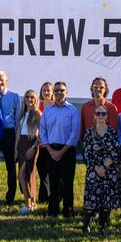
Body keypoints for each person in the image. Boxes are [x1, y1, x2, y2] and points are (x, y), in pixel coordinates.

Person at [80, 103, 121, 234]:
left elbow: (115, 152)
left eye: (103, 114)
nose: (100, 116)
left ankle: (102, 226)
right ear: (94, 116)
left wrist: (104, 166)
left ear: (107, 116)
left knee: (107, 199)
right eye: (98, 113)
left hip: (109, 170)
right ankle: (85, 225)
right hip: (93, 170)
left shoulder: (112, 132)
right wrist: (96, 168)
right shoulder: (89, 132)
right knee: (91, 198)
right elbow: (87, 152)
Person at [38, 81, 80, 218]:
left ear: (66, 92)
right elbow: (42, 130)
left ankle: (68, 211)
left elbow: (75, 133)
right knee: (53, 182)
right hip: (50, 149)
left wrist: (61, 152)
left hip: (67, 150)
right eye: (56, 91)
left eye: (62, 90)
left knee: (67, 182)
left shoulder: (73, 110)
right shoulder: (48, 110)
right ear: (53, 93)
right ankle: (53, 210)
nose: (59, 93)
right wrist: (50, 150)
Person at [0, 71, 22, 206]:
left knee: (11, 166)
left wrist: (17, 140)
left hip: (9, 133)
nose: (0, 82)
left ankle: (10, 197)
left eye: (2, 80)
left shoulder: (14, 96)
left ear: (7, 81)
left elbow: (18, 119)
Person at [14, 89, 43, 214]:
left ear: (35, 99)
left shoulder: (37, 113)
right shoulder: (23, 113)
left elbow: (42, 134)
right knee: (26, 175)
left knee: (22, 175)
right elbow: (19, 133)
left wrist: (33, 148)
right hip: (21, 145)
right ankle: (32, 203)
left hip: (31, 145)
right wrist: (16, 148)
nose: (29, 100)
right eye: (27, 97)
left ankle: (28, 205)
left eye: (32, 97)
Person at [37, 81, 54, 204]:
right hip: (40, 146)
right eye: (44, 90)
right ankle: (43, 196)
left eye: (48, 90)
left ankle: (54, 196)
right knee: (42, 173)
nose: (46, 92)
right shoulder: (38, 107)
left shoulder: (55, 107)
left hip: (53, 145)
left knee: (53, 172)